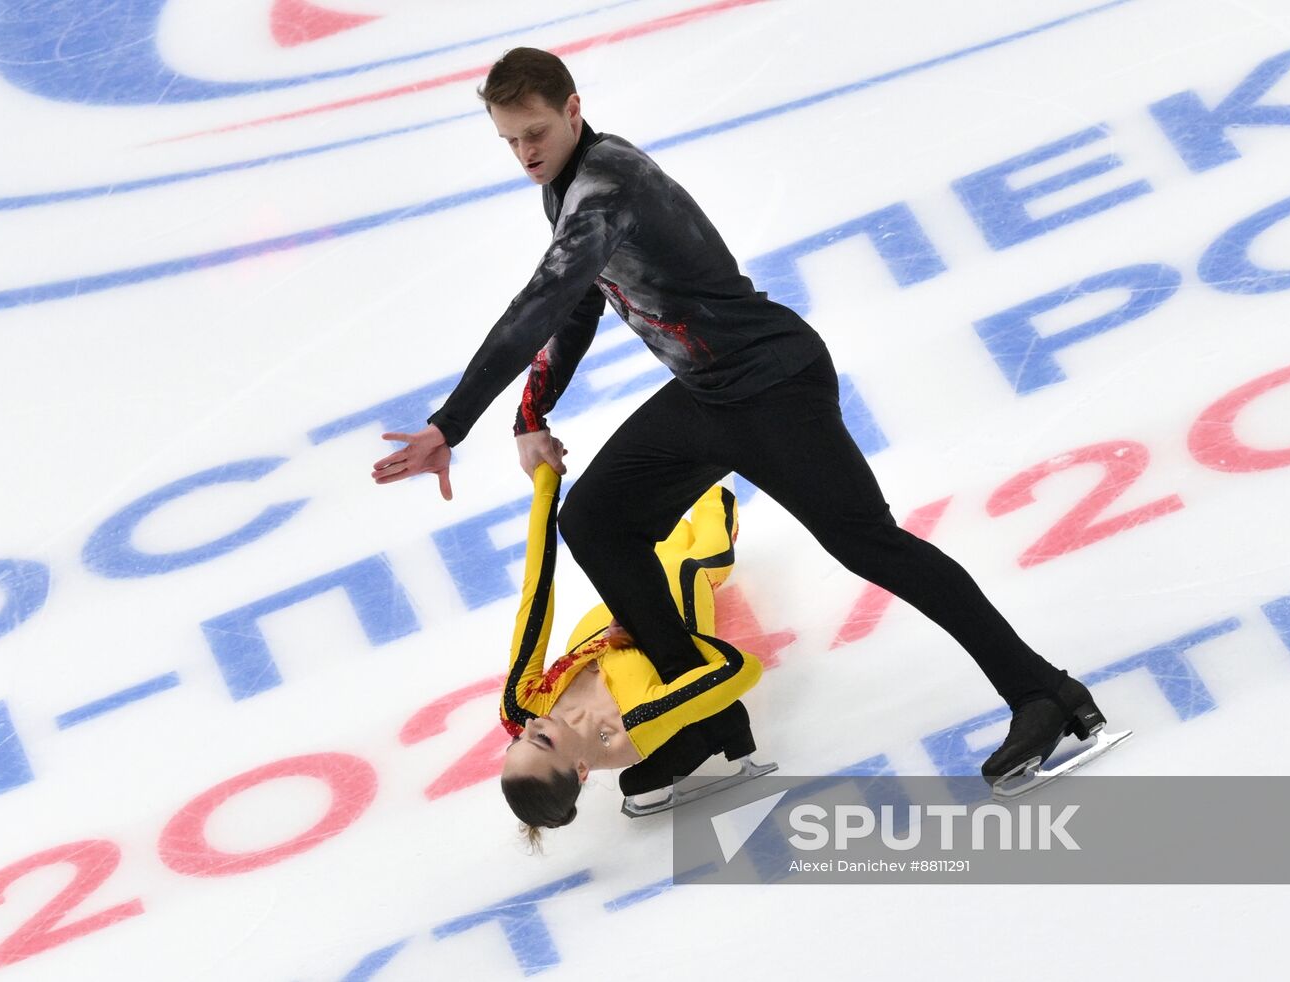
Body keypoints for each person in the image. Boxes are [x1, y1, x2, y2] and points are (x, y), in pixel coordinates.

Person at [371, 47, 1116, 791]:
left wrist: (452, 424)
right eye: (509, 141)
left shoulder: (605, 186)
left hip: (773, 386)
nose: (524, 153)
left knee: (870, 545)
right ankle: (701, 717)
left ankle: (1044, 695)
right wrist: (531, 412)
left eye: (534, 132)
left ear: (571, 109)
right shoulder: (565, 186)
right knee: (597, 521)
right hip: (707, 394)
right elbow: (581, 300)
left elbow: (540, 302)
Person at [500, 463, 760, 847]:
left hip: (619, 577)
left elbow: (535, 591)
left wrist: (545, 481)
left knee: (652, 523)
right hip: (674, 595)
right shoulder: (635, 726)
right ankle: (720, 460)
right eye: (543, 741)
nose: (531, 725)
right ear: (582, 769)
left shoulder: (521, 706)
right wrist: (659, 635)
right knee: (706, 547)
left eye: (518, 740)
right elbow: (740, 669)